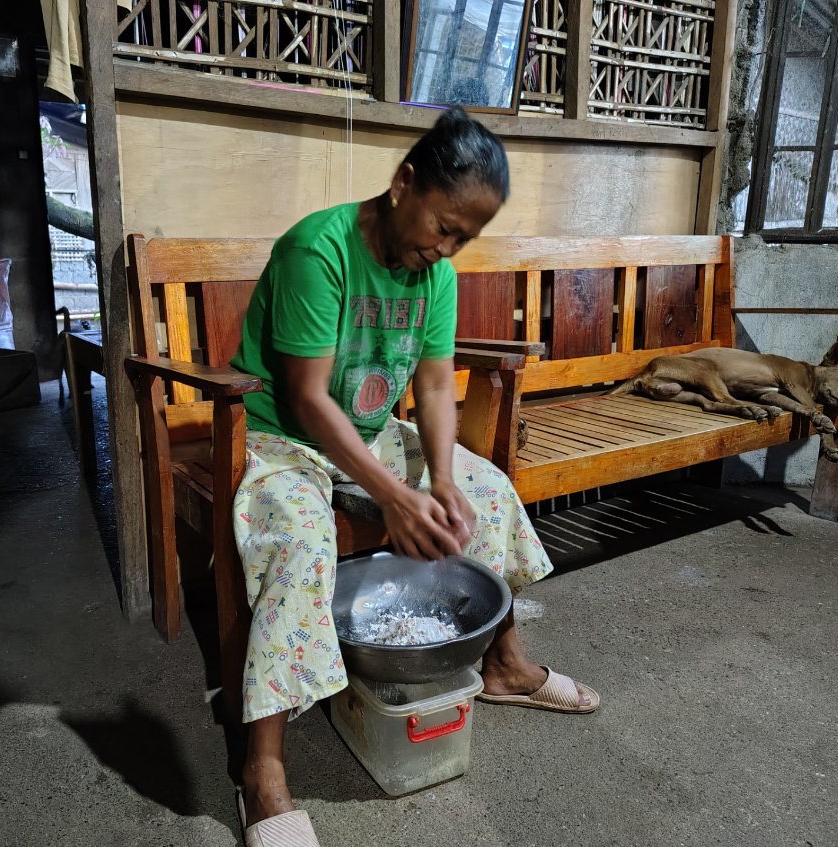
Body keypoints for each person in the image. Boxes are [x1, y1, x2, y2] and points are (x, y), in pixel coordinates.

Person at [229, 107, 599, 846]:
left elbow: (434, 387)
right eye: (444, 227)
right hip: (284, 438)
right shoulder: (319, 250)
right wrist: (396, 495)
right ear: (404, 185)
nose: (448, 247)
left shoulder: (436, 277)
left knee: (484, 489)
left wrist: (439, 475)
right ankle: (262, 765)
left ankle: (504, 664)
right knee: (301, 536)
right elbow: (306, 396)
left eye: (465, 237)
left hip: (365, 432)